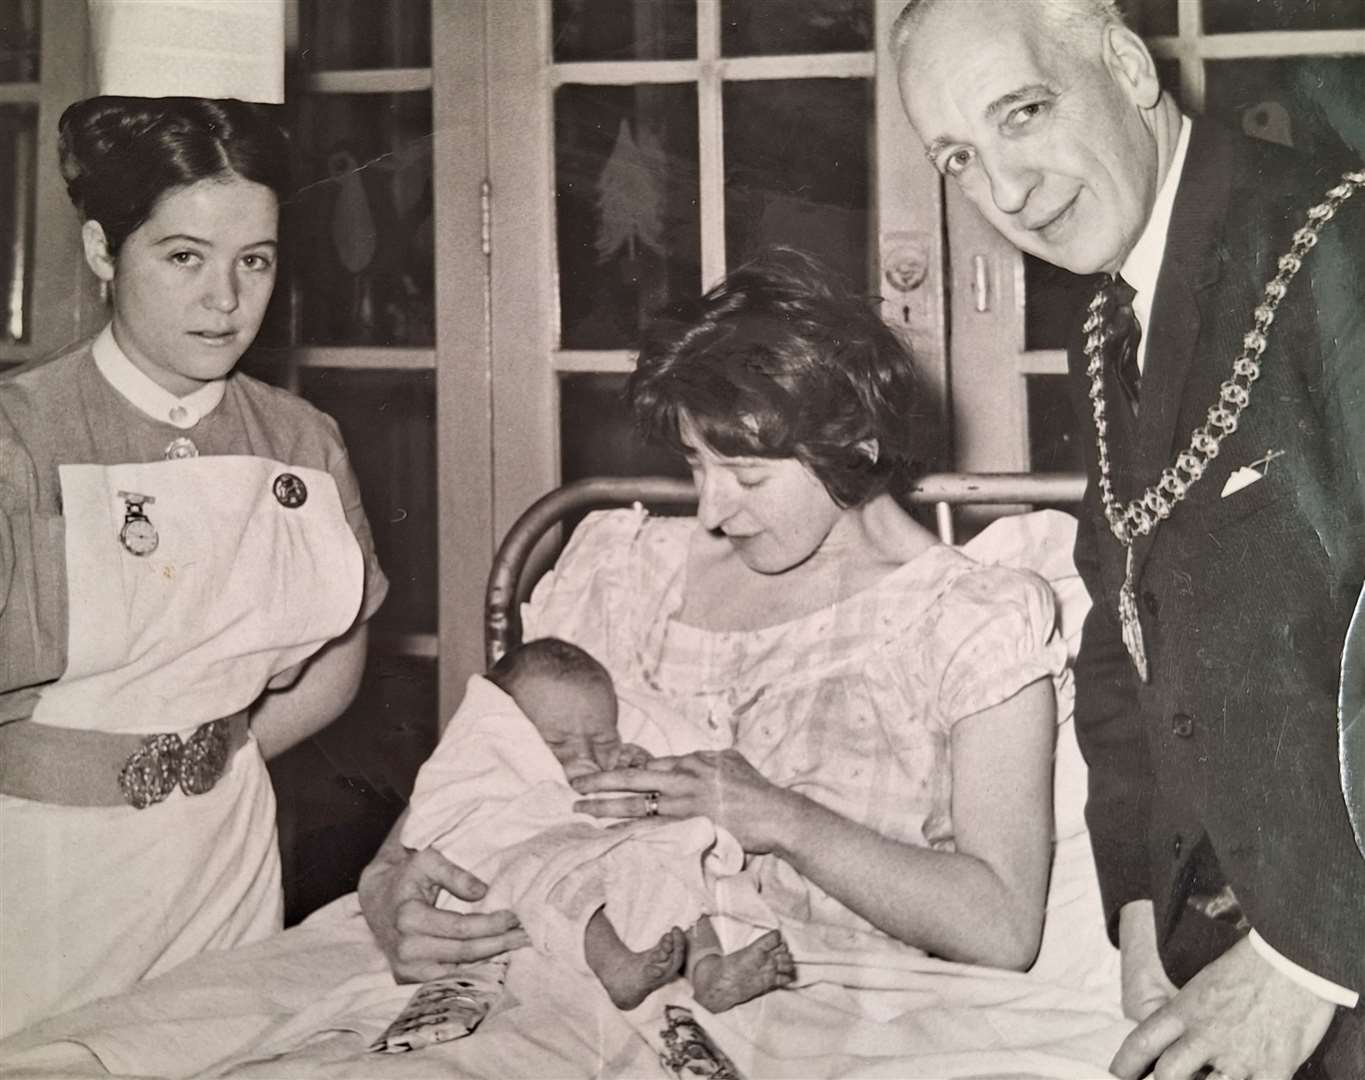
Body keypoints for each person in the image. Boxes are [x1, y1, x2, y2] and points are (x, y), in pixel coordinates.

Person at [361, 249, 1066, 990]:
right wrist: (383, 886)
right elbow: (473, 774)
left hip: (832, 1011)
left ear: (856, 444)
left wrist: (780, 819)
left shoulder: (968, 622)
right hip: (560, 973)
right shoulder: (624, 577)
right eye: (697, 465)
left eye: (747, 475)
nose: (711, 510)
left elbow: (1001, 925)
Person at [891, 2, 1365, 1078]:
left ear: (1123, 63)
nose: (1004, 192)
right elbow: (1127, 630)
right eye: (960, 155)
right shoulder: (1107, 326)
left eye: (1023, 112)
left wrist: (1312, 964)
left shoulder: (1343, 244)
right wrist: (1145, 901)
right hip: (1227, 947)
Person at [0, 95, 388, 1035]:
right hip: (43, 872)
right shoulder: (21, 437)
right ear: (102, 251)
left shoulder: (300, 439)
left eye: (252, 261)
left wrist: (219, 752)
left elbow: (342, 650)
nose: (226, 299)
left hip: (228, 859)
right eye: (184, 258)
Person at [401, 635, 795, 1013]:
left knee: (679, 872)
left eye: (603, 741)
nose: (586, 756)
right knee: (566, 885)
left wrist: (633, 768)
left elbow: (649, 803)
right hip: (545, 869)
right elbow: (477, 822)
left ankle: (709, 971)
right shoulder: (497, 770)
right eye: (558, 744)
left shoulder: (619, 759)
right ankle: (616, 966)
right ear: (514, 735)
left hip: (616, 864)